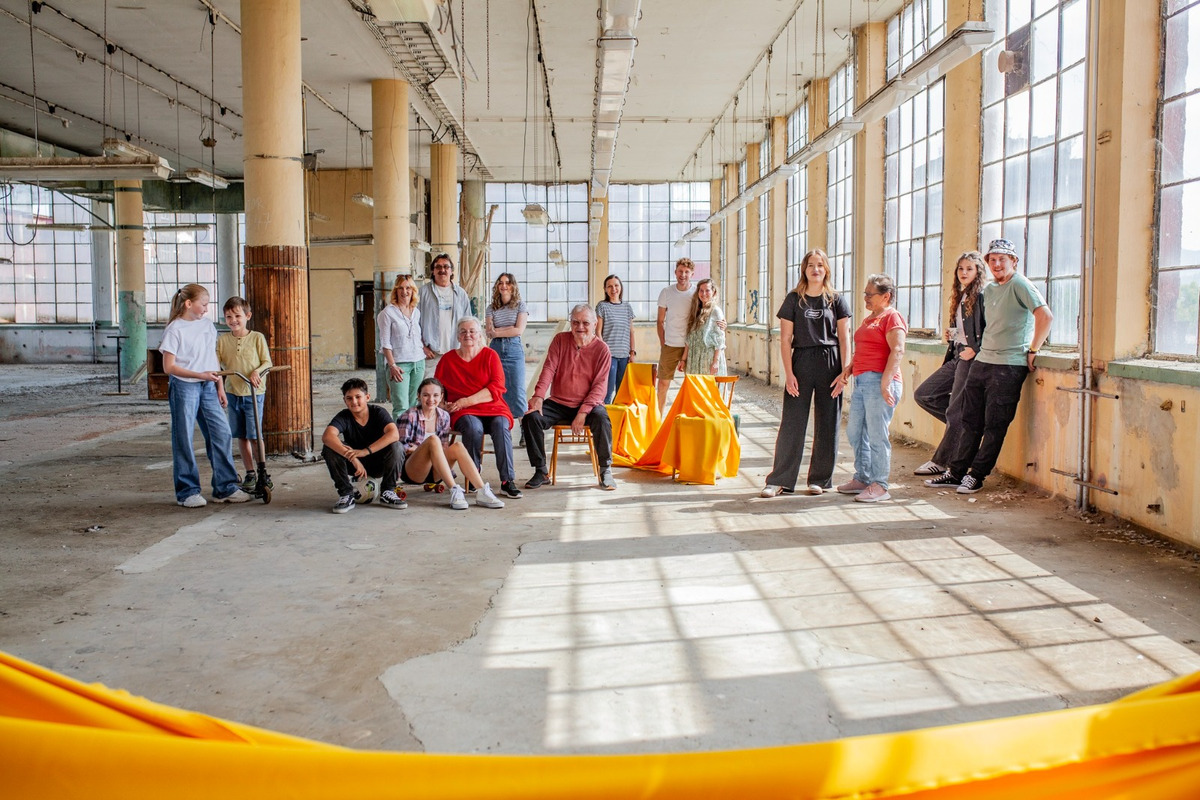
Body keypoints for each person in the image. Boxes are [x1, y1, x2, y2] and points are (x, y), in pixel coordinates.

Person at [926, 238, 1053, 494]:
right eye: (992, 260)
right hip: (982, 361)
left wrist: (1033, 349)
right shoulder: (990, 290)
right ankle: (956, 472)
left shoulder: (1020, 284)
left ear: (1014, 261)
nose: (996, 264)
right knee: (969, 419)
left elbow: (1045, 315)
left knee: (995, 424)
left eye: (1002, 259)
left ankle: (977, 475)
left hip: (1008, 365)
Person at [760, 249, 852, 498]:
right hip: (801, 360)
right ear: (804, 269)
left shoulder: (836, 300)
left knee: (828, 422)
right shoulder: (793, 299)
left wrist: (845, 372)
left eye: (820, 265)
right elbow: (786, 339)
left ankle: (820, 479)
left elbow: (844, 338)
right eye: (811, 265)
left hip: (830, 362)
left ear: (826, 269)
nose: (815, 269)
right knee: (792, 421)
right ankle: (780, 480)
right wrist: (788, 373)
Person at [159, 284, 251, 508]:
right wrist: (199, 374)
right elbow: (168, 367)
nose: (206, 309)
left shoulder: (207, 325)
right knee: (184, 437)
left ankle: (225, 487)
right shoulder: (175, 329)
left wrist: (219, 385)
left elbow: (212, 357)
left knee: (221, 432)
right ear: (189, 304)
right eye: (204, 304)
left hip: (209, 385)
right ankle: (187, 491)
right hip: (184, 386)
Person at [522, 305, 616, 491]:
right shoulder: (560, 340)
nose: (580, 326)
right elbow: (549, 368)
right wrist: (539, 395)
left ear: (595, 324)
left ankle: (605, 469)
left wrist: (582, 413)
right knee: (530, 417)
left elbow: (599, 388)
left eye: (585, 323)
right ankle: (541, 471)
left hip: (588, 405)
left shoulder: (602, 350)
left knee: (602, 419)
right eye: (575, 322)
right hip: (559, 402)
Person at [833, 274, 908, 503]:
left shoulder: (892, 317)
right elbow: (862, 351)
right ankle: (863, 478)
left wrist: (885, 382)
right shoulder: (869, 320)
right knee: (855, 431)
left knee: (877, 435)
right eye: (864, 293)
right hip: (863, 382)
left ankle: (880, 485)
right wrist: (847, 371)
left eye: (870, 294)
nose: (865, 297)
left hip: (881, 382)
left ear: (886, 296)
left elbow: (897, 351)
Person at [912, 252, 988, 476]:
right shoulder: (962, 295)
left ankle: (941, 461)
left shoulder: (982, 296)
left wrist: (976, 348)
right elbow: (964, 330)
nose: (964, 273)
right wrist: (952, 335)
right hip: (956, 355)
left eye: (969, 269)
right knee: (924, 394)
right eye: (961, 269)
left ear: (978, 272)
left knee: (956, 411)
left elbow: (992, 329)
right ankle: (969, 426)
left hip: (971, 359)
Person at [434, 316, 524, 499]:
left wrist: (465, 401)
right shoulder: (448, 359)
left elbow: (496, 388)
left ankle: (507, 481)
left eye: (472, 331)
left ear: (479, 335)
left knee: (500, 426)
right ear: (458, 337)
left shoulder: (490, 355)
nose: (468, 335)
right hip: (463, 411)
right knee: (473, 427)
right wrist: (443, 404)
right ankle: (474, 476)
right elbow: (436, 387)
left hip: (492, 406)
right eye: (463, 331)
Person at [396, 378, 506, 511]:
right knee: (433, 440)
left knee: (457, 447)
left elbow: (444, 448)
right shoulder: (410, 415)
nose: (431, 399)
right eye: (426, 395)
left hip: (437, 472)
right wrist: (424, 449)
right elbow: (400, 448)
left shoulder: (444, 416)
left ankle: (482, 491)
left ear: (441, 396)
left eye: (436, 395)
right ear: (418, 396)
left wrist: (434, 452)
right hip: (414, 471)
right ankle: (454, 490)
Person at [320, 378, 408, 513]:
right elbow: (327, 436)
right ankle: (346, 494)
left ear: (367, 397)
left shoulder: (378, 412)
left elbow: (394, 434)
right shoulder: (344, 416)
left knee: (397, 446)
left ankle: (388, 491)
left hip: (379, 462)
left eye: (358, 397)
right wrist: (353, 458)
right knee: (329, 447)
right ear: (345, 400)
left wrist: (365, 451)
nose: (354, 402)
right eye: (349, 398)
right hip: (355, 465)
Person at [217, 296, 273, 492]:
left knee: (255, 435)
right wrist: (220, 387)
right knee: (241, 435)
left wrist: (257, 371)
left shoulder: (257, 337)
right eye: (228, 316)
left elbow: (267, 362)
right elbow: (215, 365)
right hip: (233, 393)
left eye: (237, 315)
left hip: (253, 393)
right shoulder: (222, 340)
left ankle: (263, 471)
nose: (233, 320)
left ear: (247, 316)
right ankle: (250, 472)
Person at [377, 273, 424, 420]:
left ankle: (413, 439)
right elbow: (385, 343)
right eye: (401, 288)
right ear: (396, 291)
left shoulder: (416, 312)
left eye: (408, 288)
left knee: (414, 405)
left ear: (413, 290)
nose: (405, 292)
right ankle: (399, 442)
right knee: (401, 406)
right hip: (399, 365)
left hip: (418, 363)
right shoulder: (387, 313)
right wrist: (392, 365)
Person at [485, 273, 529, 419]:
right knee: (496, 388)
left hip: (514, 349)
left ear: (513, 286)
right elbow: (489, 332)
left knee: (517, 389)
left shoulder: (520, 306)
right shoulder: (491, 308)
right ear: (497, 286)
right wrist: (506, 330)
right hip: (495, 349)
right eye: (501, 283)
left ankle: (524, 427)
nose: (504, 286)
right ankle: (502, 425)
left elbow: (518, 330)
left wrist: (497, 331)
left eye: (508, 283)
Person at [655, 257, 696, 414]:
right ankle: (658, 419)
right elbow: (660, 321)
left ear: (692, 273)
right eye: (680, 271)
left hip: (691, 345)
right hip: (670, 345)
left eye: (686, 272)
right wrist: (663, 342)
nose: (683, 275)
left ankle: (689, 417)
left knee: (691, 384)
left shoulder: (696, 293)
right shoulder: (666, 292)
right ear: (675, 272)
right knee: (663, 384)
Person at [417, 253, 471, 366]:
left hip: (456, 352)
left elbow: (468, 324)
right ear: (433, 271)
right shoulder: (422, 293)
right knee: (430, 384)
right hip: (430, 354)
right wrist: (422, 346)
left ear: (451, 271)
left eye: (446, 266)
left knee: (454, 384)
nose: (442, 270)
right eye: (438, 267)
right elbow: (414, 324)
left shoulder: (461, 294)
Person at [595, 274, 636, 404]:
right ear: (605, 289)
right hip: (609, 355)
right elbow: (598, 331)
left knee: (621, 392)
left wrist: (632, 352)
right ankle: (604, 419)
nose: (613, 289)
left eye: (616, 285)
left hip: (624, 355)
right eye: (610, 286)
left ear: (621, 287)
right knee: (607, 391)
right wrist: (604, 352)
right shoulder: (602, 306)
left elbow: (631, 331)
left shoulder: (627, 307)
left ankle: (618, 421)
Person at [680, 278, 727, 376]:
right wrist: (683, 360)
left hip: (708, 359)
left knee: (708, 389)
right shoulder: (696, 311)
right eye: (701, 290)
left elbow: (720, 339)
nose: (704, 293)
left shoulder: (716, 311)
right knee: (695, 389)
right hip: (694, 358)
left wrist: (716, 362)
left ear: (713, 292)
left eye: (707, 290)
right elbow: (689, 339)